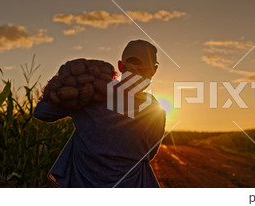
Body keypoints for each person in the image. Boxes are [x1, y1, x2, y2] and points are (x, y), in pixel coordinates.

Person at [34, 40, 166, 188]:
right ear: (154, 70)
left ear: (120, 66)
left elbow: (41, 112)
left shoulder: (89, 95)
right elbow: (149, 155)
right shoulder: (155, 110)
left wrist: (63, 82)